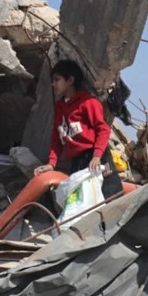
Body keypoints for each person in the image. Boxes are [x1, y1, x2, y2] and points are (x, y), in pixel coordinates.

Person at [34, 60, 124, 196]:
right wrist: (51, 163)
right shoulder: (59, 107)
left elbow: (103, 129)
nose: (53, 84)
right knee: (83, 199)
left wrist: (97, 156)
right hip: (77, 161)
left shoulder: (88, 103)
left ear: (70, 80)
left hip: (96, 156)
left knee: (110, 194)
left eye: (57, 80)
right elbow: (56, 138)